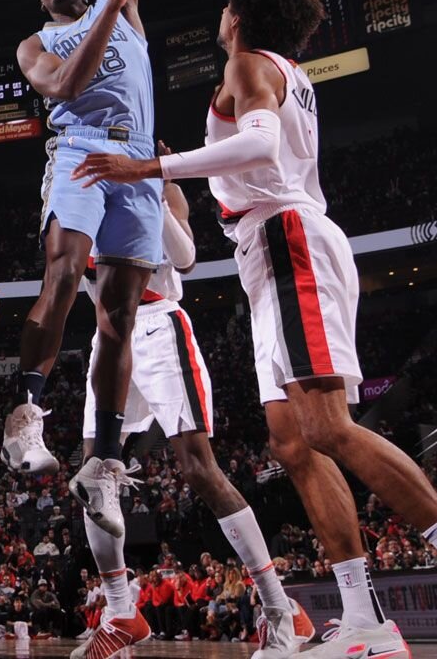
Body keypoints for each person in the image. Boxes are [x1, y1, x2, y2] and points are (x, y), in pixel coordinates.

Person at [73, 0, 437, 659]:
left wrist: (148, 168)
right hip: (267, 251)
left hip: (287, 238)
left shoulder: (248, 66)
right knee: (291, 443)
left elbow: (259, 143)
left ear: (240, 16)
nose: (220, 18)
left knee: (328, 427)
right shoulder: (269, 70)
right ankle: (363, 622)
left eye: (225, 7)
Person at [0, 0, 158, 551]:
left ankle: (104, 459)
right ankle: (26, 410)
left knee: (120, 318)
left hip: (141, 163)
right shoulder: (41, 43)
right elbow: (65, 86)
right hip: (83, 154)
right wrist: (109, 2)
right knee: (63, 273)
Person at [69, 179, 311, 659]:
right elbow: (74, 275)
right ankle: (121, 613)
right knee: (92, 478)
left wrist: (148, 188)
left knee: (199, 469)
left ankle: (280, 607)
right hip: (110, 336)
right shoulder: (75, 191)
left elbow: (184, 259)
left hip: (159, 327)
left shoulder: (161, 184)